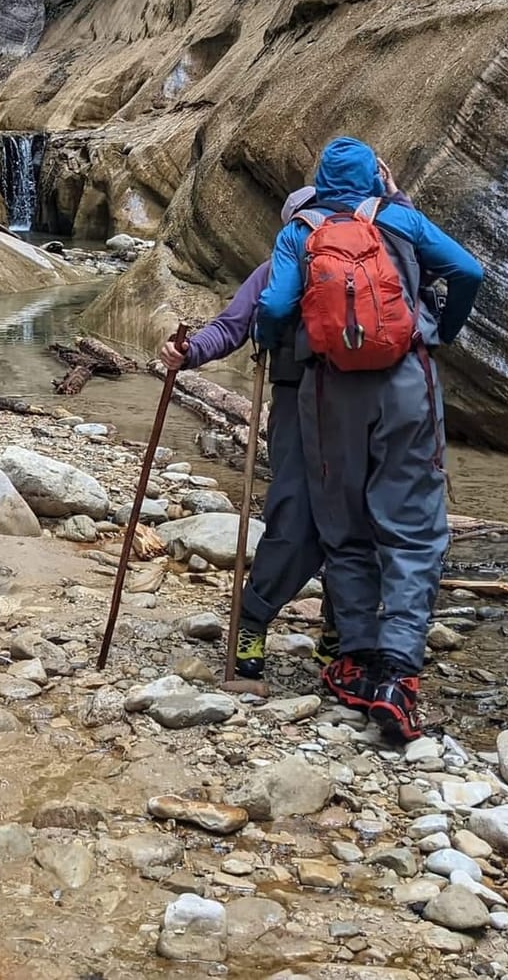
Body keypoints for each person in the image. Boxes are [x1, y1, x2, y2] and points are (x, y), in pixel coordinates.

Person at [254, 137, 482, 743]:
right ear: (374, 178)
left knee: (343, 520)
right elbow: (468, 271)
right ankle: (399, 675)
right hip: (407, 380)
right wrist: (442, 330)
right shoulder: (399, 219)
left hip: (329, 391)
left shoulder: (300, 230)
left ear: (321, 180)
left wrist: (271, 339)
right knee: (413, 526)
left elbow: (274, 303)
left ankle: (352, 659)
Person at [160, 186, 339, 692]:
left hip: (297, 407)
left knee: (292, 519)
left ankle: (252, 627)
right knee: (353, 525)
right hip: (368, 413)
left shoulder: (277, 267)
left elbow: (232, 326)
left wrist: (188, 352)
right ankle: (338, 640)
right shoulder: (377, 257)